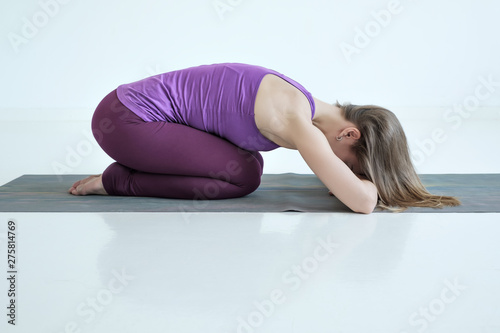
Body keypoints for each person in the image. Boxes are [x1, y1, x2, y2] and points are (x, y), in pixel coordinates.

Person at [68, 63, 460, 213]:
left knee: (250, 162)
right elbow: (361, 203)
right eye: (350, 164)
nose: (342, 169)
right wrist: (369, 187)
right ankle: (119, 180)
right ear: (349, 133)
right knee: (244, 175)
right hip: (126, 122)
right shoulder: (298, 119)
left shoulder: (301, 101)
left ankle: (133, 166)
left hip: (130, 116)